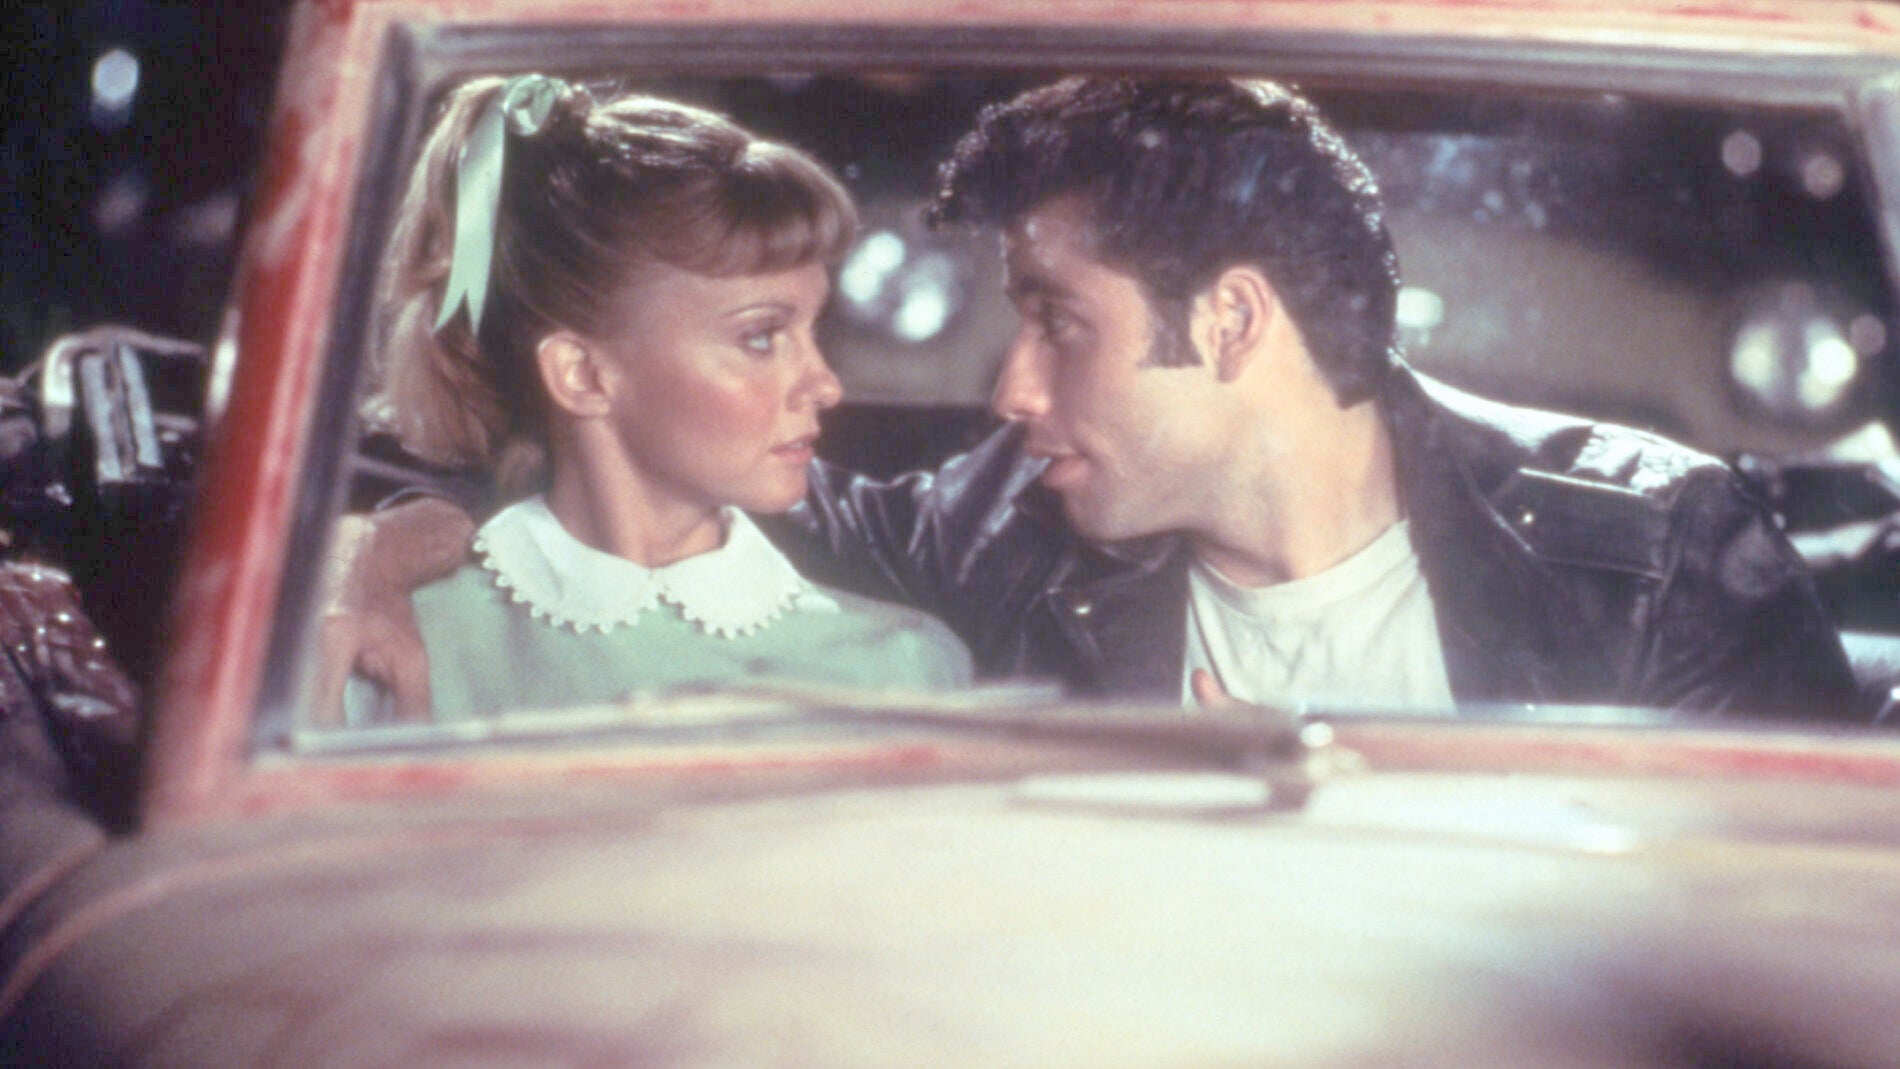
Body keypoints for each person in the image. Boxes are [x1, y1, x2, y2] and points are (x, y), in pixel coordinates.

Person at [337, 76, 1861, 723]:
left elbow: (1778, 946)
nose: (1009, 388)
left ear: (1234, 321)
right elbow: (630, 485)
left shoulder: (1649, 552)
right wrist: (374, 550)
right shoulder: (996, 533)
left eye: (1058, 322)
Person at [323, 75, 970, 723]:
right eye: (761, 337)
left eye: (811, 330)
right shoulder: (378, 641)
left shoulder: (903, 665)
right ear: (581, 374)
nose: (825, 385)